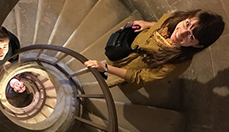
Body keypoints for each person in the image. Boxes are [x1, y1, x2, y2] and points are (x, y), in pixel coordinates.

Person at [84, 9, 225, 89]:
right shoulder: (175, 18)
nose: (181, 32)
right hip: (129, 48)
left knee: (106, 79)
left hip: (131, 67)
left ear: (197, 45)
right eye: (187, 24)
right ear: (187, 17)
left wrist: (105, 68)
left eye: (191, 36)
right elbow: (162, 23)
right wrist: (147, 24)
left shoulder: (176, 63)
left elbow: (139, 77)